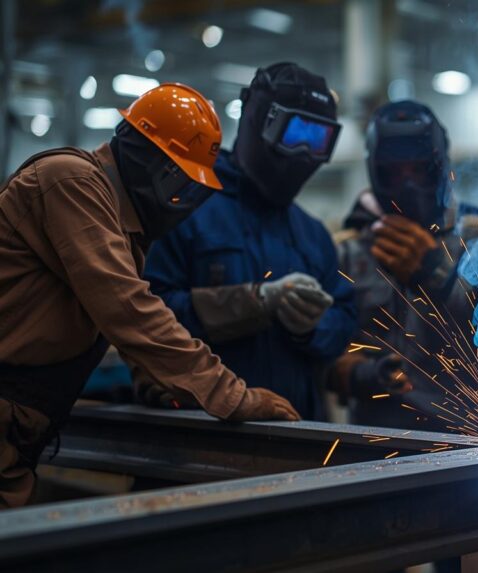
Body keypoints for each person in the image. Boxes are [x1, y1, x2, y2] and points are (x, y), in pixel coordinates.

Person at [0, 83, 299, 509]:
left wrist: (155, 382)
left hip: (17, 436)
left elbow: (111, 314)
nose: (184, 203)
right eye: (181, 184)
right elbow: (126, 308)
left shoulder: (121, 224)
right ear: (150, 162)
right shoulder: (70, 182)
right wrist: (232, 396)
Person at [141, 63, 356, 421]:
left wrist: (312, 328)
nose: (304, 153)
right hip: (196, 444)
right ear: (258, 121)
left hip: (296, 444)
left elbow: (344, 318)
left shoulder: (312, 233)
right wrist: (252, 303)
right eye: (295, 133)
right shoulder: (183, 210)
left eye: (318, 140)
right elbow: (144, 317)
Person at [332, 100, 478, 430]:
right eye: (394, 172)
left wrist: (439, 276)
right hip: (374, 433)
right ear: (376, 171)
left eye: (417, 170)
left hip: (463, 433)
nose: (407, 184)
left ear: (438, 167)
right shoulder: (347, 250)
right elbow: (320, 351)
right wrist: (357, 373)